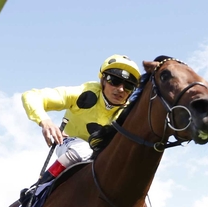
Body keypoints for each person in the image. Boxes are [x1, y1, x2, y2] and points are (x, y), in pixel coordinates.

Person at [20, 54, 141, 191]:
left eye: (129, 86)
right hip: (68, 143)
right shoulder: (82, 92)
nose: (120, 89)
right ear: (102, 80)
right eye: (114, 81)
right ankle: (37, 189)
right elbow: (31, 95)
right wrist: (45, 121)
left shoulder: (129, 113)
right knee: (83, 149)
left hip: (101, 157)